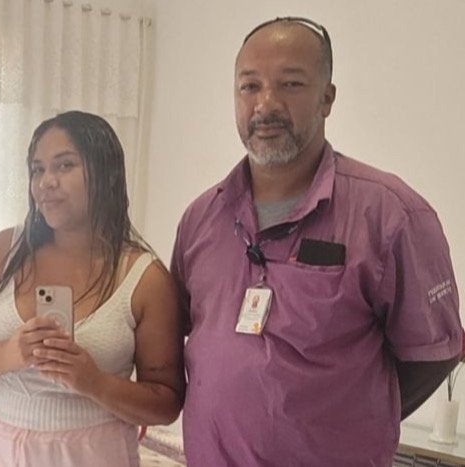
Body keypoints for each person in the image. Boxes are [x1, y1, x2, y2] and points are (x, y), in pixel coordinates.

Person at [171, 17, 462, 465]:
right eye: (250, 86)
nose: (266, 104)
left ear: (327, 98)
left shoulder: (391, 215)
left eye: (290, 84)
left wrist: (344, 418)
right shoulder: (202, 219)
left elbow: (433, 355)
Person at [0, 111, 185, 466]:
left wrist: (93, 382)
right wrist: (9, 354)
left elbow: (166, 403)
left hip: (92, 455)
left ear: (106, 173)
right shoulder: (4, 251)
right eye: (37, 169)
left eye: (65, 165)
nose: (46, 182)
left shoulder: (145, 278)